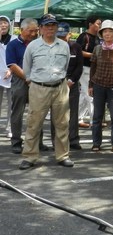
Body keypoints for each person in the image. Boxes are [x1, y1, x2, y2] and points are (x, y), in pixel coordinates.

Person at [18, 14, 73, 170]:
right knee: (34, 124)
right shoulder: (32, 46)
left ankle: (63, 156)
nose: (50, 28)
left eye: (53, 25)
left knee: (62, 124)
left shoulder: (64, 46)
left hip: (60, 88)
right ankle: (30, 157)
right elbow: (26, 69)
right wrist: (32, 82)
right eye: (47, 25)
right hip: (38, 88)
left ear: (56, 28)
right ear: (40, 29)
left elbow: (66, 65)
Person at [89, 20, 113, 153]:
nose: (107, 34)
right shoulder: (97, 48)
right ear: (101, 34)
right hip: (98, 85)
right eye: (105, 31)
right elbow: (93, 67)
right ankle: (96, 143)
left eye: (110, 31)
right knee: (97, 117)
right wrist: (90, 85)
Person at [6, 18, 39, 154]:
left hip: (37, 80)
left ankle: (38, 141)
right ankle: (16, 141)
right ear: (22, 30)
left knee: (38, 112)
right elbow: (12, 65)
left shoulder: (39, 43)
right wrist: (27, 78)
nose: (33, 34)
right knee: (17, 112)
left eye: (35, 31)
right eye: (30, 31)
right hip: (20, 80)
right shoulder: (13, 44)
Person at [50, 22, 84, 150]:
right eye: (59, 36)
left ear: (69, 34)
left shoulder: (75, 47)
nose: (62, 39)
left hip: (72, 82)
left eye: (64, 36)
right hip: (56, 82)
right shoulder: (52, 47)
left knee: (73, 113)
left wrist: (71, 80)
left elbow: (79, 67)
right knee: (56, 113)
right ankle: (55, 140)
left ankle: (74, 139)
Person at [76, 15, 102, 127]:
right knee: (90, 93)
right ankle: (94, 120)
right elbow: (78, 51)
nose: (99, 26)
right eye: (98, 23)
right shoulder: (83, 36)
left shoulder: (97, 37)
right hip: (85, 68)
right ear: (90, 24)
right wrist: (93, 55)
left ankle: (77, 118)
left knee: (83, 95)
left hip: (94, 68)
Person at [0, 15, 15, 138]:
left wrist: (11, 69)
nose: (3, 25)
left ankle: (9, 127)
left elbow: (18, 57)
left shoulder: (14, 39)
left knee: (12, 103)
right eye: (0, 23)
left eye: (5, 23)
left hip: (12, 74)